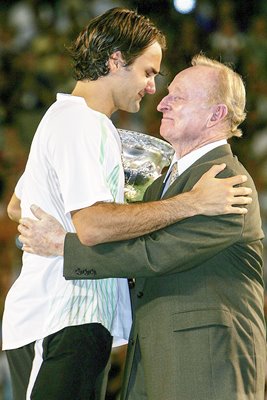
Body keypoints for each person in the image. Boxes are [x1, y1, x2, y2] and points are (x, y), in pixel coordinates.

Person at [2, 7, 252, 400]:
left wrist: (60, 225)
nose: (155, 90)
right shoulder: (81, 122)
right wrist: (192, 203)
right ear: (116, 61)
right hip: (59, 317)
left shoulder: (81, 122)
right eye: (149, 73)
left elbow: (19, 204)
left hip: (76, 319)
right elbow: (93, 226)